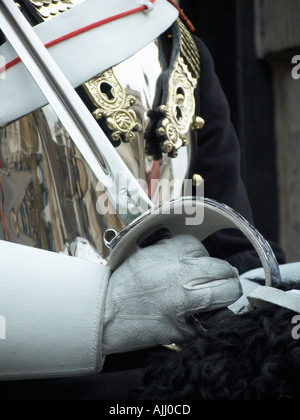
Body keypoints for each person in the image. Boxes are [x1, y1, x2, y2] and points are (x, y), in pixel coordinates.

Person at [0, 0, 289, 400]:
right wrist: (99, 313)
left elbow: (234, 244)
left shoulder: (168, 33)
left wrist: (268, 297)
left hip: (184, 376)